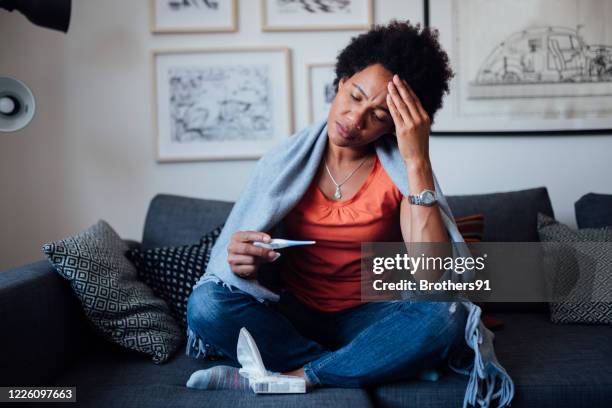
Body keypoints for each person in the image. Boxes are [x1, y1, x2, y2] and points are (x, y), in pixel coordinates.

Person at [186, 20, 468, 391]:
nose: (355, 120)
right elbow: (243, 262)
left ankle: (292, 376)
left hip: (371, 315)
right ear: (340, 82)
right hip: (293, 314)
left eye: (379, 116)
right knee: (206, 304)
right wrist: (245, 261)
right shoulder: (284, 164)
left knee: (448, 314)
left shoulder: (399, 173)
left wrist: (418, 161)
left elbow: (431, 274)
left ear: (395, 127)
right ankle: (366, 362)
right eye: (354, 96)